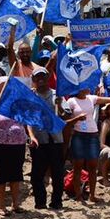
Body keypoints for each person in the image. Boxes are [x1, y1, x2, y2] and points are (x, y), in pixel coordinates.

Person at [65, 84, 110, 203]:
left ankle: (92, 195)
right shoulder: (71, 101)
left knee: (92, 166)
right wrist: (77, 119)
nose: (89, 86)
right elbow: (65, 120)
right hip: (79, 135)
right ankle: (78, 196)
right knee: (78, 166)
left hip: (92, 135)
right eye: (87, 84)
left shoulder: (92, 98)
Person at [0, 79, 30, 215]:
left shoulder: (16, 104)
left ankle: (15, 204)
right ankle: (2, 205)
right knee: (1, 175)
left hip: (18, 144)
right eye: (2, 87)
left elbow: (26, 121)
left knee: (16, 175)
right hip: (0, 144)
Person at [26, 67, 67, 209]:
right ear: (33, 80)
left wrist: (60, 106)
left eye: (43, 77)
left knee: (57, 174)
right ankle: (40, 202)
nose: (41, 80)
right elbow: (28, 120)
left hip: (56, 140)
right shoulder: (30, 97)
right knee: (37, 175)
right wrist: (31, 136)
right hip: (39, 140)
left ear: (48, 77)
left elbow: (66, 115)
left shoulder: (57, 95)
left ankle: (57, 201)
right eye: (37, 78)